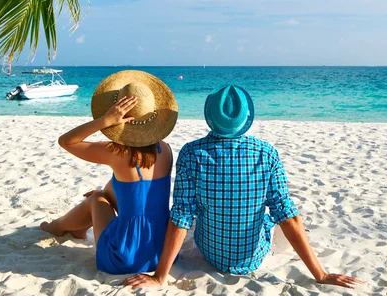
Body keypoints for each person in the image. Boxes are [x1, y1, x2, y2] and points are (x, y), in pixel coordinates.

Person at [124, 84, 361, 289]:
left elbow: (181, 217)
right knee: (277, 215)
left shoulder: (191, 153)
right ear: (246, 118)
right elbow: (287, 216)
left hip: (211, 255)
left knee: (197, 213)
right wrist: (320, 275)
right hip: (254, 259)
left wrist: (160, 277)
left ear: (210, 117)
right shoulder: (267, 154)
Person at [40, 70, 179, 274]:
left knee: (96, 199)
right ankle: (75, 226)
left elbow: (66, 141)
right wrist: (107, 192)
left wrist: (104, 121)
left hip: (123, 257)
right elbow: (131, 188)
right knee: (107, 192)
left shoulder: (116, 152)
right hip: (160, 253)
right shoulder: (165, 150)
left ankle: (57, 227)